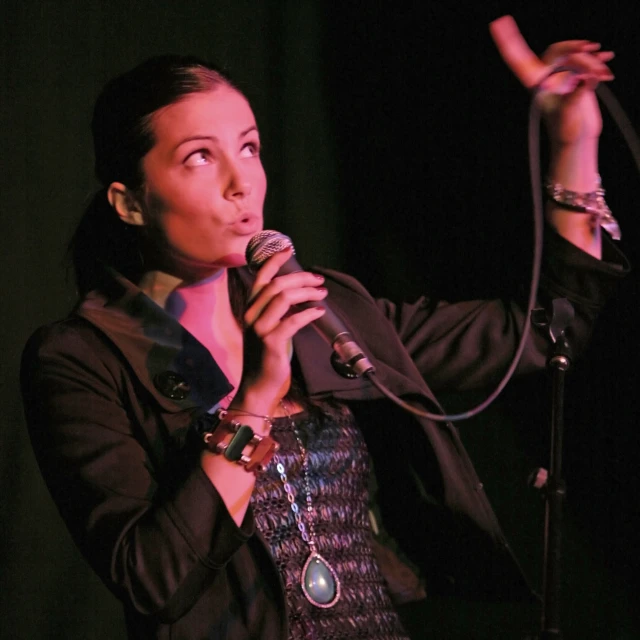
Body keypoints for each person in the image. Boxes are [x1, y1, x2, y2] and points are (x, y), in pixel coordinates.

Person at [20, 17, 628, 640]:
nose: (242, 183)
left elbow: (543, 330)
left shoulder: (325, 311)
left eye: (249, 147)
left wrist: (573, 142)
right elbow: (154, 579)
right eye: (200, 156)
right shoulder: (84, 357)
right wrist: (255, 396)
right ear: (130, 201)